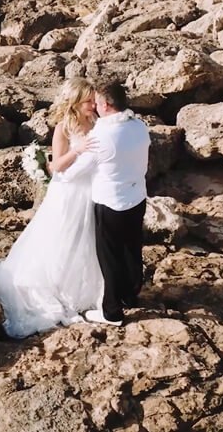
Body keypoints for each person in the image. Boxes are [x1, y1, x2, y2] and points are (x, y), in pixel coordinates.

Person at [0, 78, 104, 337]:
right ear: (75, 103)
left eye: (93, 100)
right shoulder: (64, 128)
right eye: (88, 101)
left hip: (90, 189)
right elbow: (55, 167)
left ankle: (86, 290)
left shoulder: (96, 122)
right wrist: (77, 150)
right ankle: (58, 288)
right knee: (64, 239)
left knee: (87, 239)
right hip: (69, 192)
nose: (93, 104)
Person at [64, 82, 151, 327]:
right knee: (132, 249)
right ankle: (130, 295)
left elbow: (76, 171)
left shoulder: (102, 135)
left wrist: (57, 174)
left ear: (105, 105)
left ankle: (111, 312)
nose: (95, 105)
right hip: (137, 198)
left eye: (98, 102)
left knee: (110, 256)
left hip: (111, 203)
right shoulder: (139, 126)